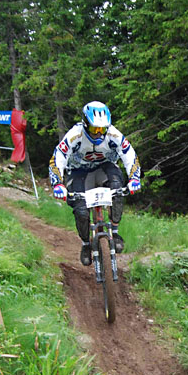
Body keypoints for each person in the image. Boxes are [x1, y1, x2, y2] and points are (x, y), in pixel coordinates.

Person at [49, 101, 141, 265]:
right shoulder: (74, 135)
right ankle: (86, 243)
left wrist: (134, 178)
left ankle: (114, 230)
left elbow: (129, 154)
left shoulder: (113, 134)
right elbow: (58, 157)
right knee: (81, 211)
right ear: (85, 124)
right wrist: (57, 184)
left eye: (102, 130)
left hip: (104, 168)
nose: (98, 134)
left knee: (117, 189)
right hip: (78, 172)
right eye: (94, 129)